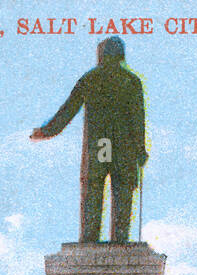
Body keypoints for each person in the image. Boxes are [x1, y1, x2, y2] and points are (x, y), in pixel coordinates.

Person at [31, 37, 148, 243]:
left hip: (100, 145)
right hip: (124, 148)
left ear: (100, 55)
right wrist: (140, 151)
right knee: (122, 192)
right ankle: (120, 241)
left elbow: (67, 111)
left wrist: (46, 131)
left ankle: (89, 240)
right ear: (121, 55)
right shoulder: (132, 81)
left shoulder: (90, 78)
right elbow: (138, 120)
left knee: (93, 189)